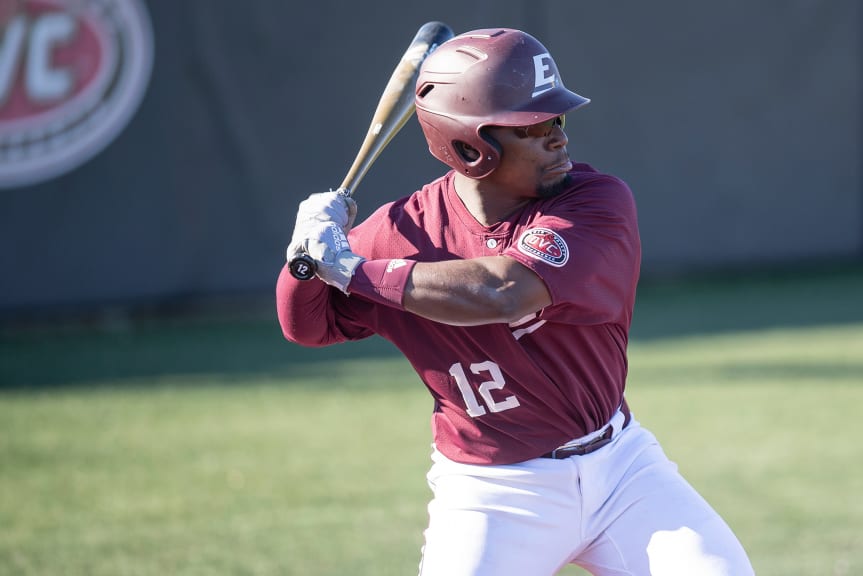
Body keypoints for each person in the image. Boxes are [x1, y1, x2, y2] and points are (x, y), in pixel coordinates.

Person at [277, 27, 754, 576]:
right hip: (492, 492)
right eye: (533, 125)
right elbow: (306, 326)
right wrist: (303, 257)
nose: (558, 137)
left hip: (622, 470)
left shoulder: (595, 202)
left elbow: (502, 289)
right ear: (469, 146)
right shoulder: (397, 234)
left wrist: (353, 269)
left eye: (557, 119)